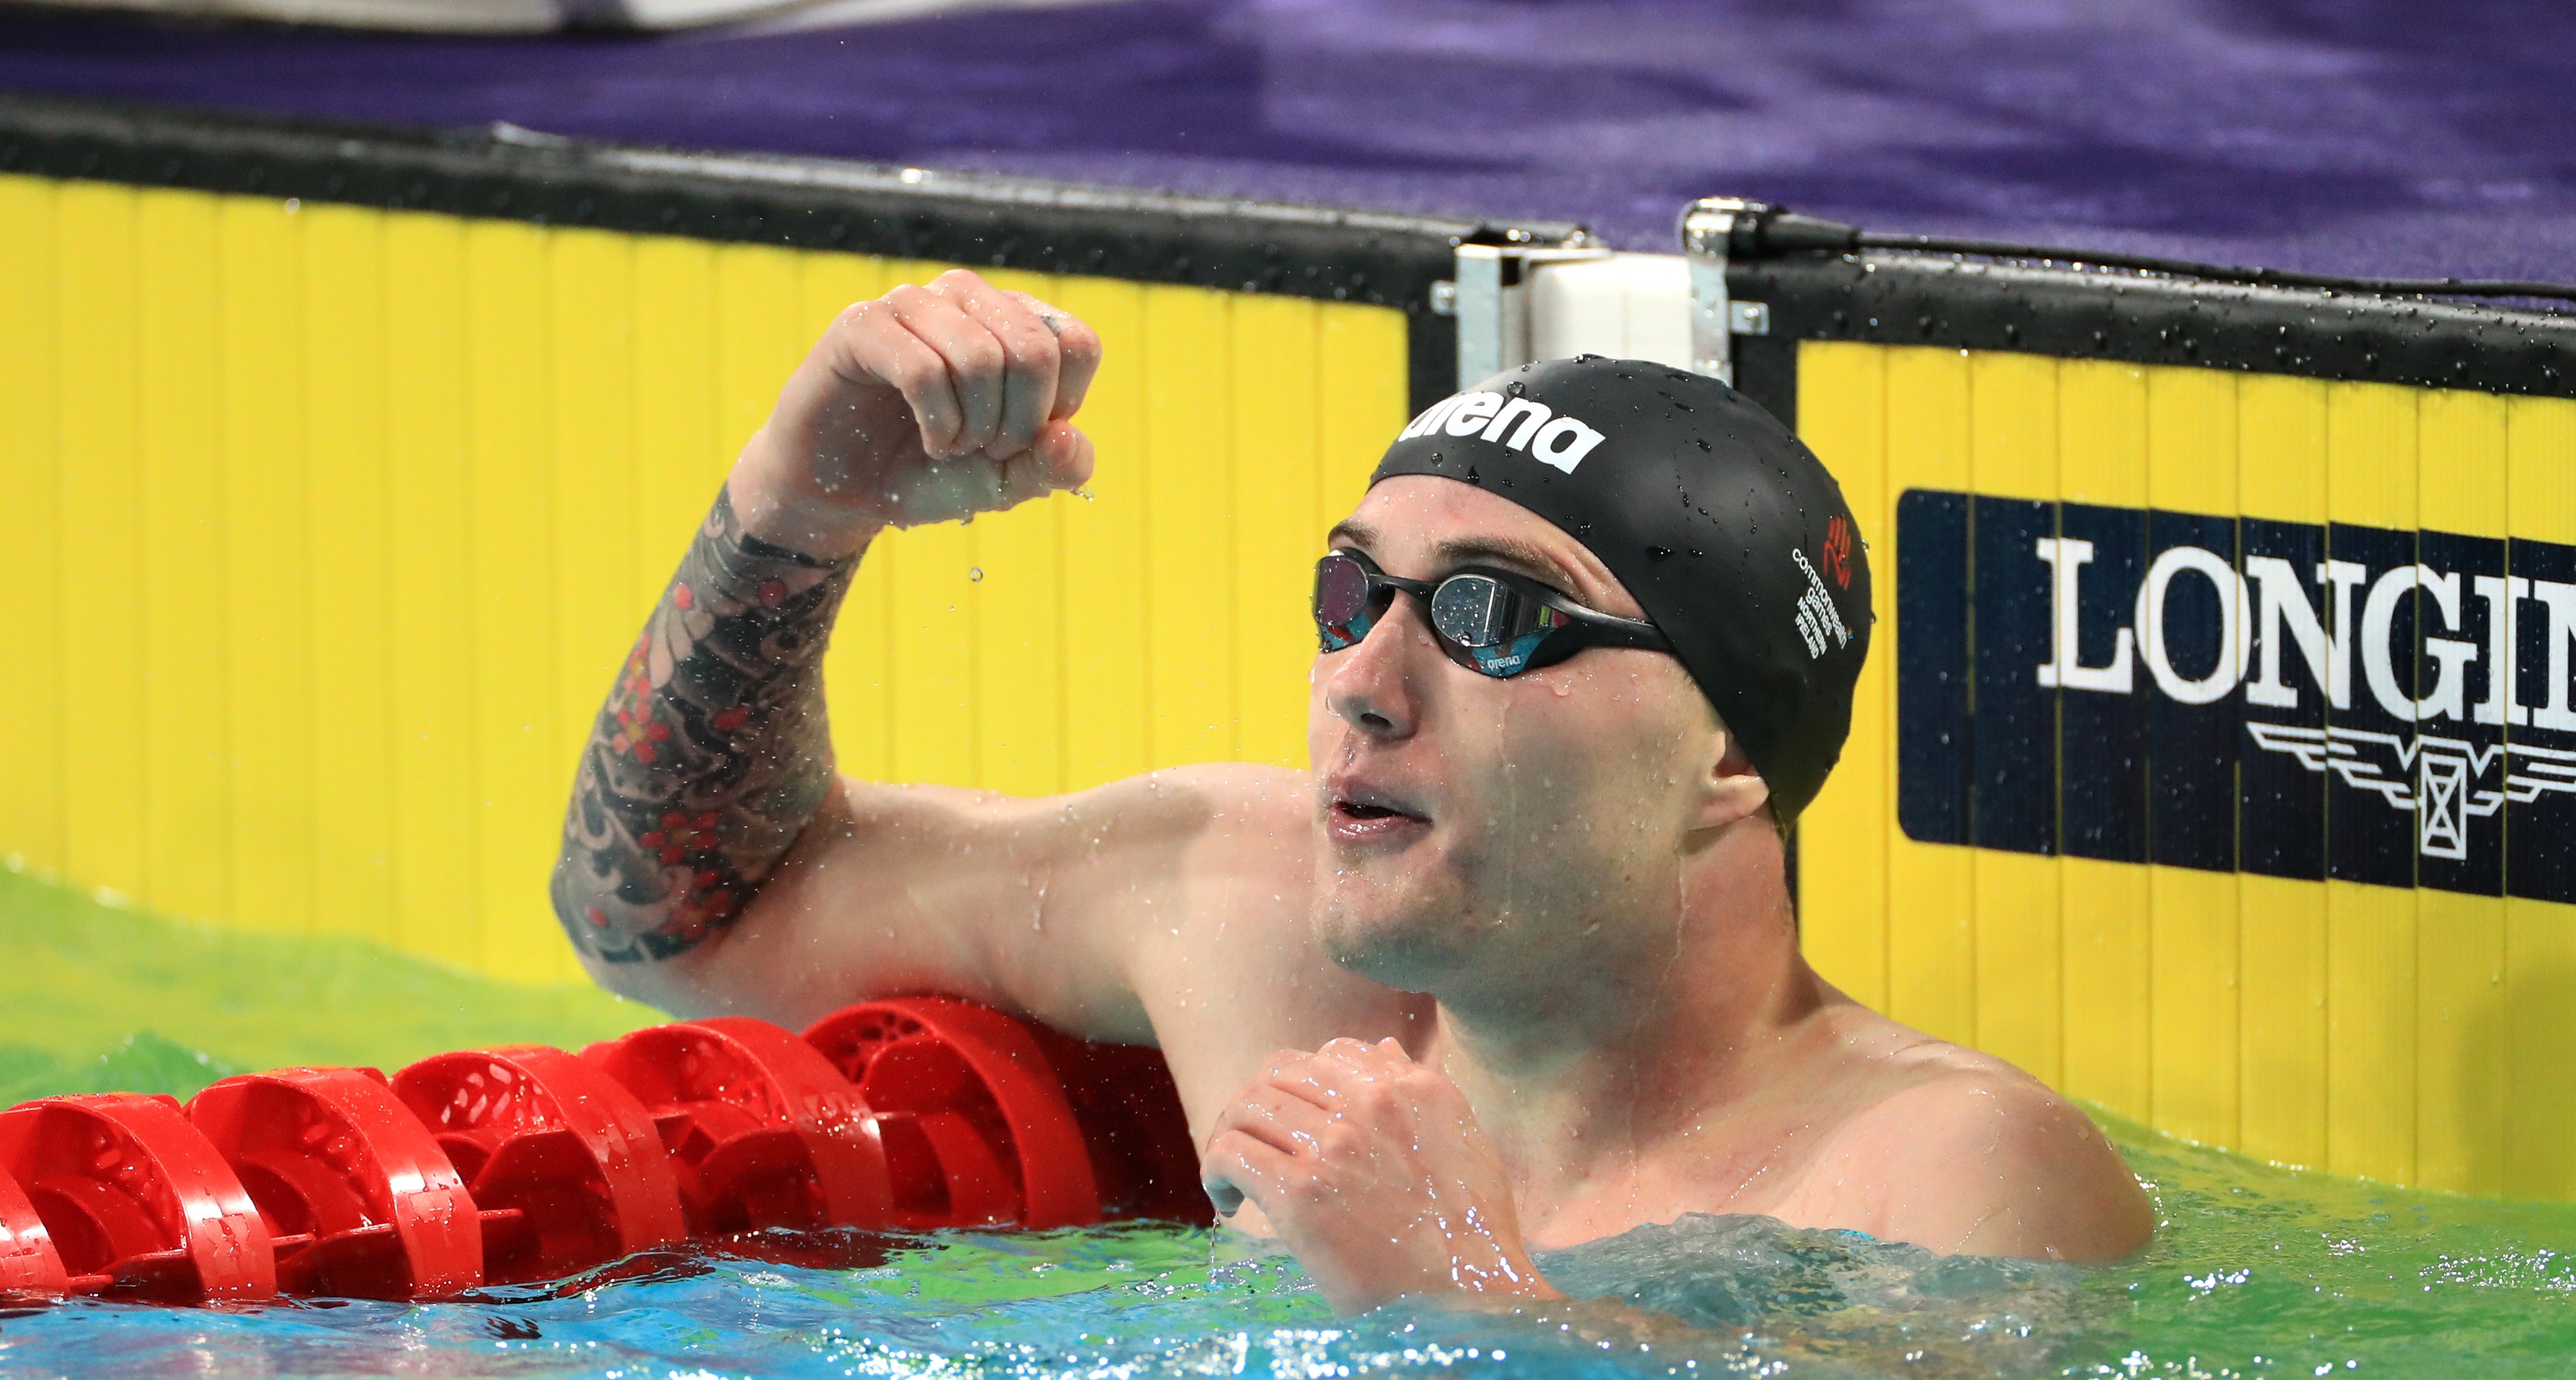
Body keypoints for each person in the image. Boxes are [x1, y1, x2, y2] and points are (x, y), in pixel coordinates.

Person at [550, 269, 2150, 1314]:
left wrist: (1471, 1300)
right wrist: (798, 500)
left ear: (1729, 756)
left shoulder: (1945, 1170)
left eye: (1494, 615)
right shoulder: (1242, 914)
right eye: (1349, 593)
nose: (1363, 682)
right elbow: (683, 916)